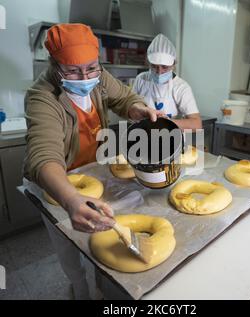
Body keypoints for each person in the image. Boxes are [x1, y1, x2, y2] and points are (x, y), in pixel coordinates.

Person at [23, 23, 163, 299]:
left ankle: (97, 282)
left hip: (92, 171)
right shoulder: (42, 97)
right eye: (73, 70)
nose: (85, 76)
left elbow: (123, 97)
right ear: (54, 65)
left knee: (97, 236)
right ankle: (79, 287)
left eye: (91, 67)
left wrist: (135, 108)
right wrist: (71, 200)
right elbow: (44, 155)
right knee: (68, 244)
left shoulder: (98, 77)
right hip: (58, 182)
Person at [133, 33, 202, 130]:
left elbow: (196, 124)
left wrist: (166, 122)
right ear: (148, 63)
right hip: (143, 137)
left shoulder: (181, 87)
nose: (159, 72)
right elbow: (131, 107)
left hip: (171, 139)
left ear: (174, 64)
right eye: (154, 66)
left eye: (164, 67)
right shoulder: (141, 79)